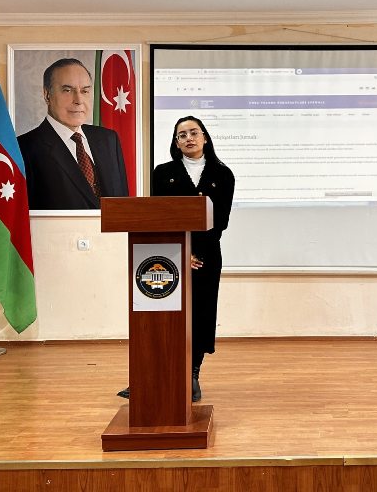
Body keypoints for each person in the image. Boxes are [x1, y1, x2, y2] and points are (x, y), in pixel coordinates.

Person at [118, 116, 234, 403]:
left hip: (205, 257)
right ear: (176, 142)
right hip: (168, 257)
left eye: (193, 132)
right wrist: (182, 253)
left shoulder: (223, 174)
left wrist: (195, 253)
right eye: (182, 135)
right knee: (163, 316)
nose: (188, 138)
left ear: (205, 137)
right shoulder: (163, 172)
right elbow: (159, 216)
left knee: (200, 314)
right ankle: (150, 376)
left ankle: (191, 374)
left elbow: (220, 221)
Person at [17, 58, 129, 209]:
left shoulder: (109, 140)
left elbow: (123, 206)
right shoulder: (24, 149)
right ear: (47, 95)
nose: (78, 100)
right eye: (67, 90)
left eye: (85, 91)